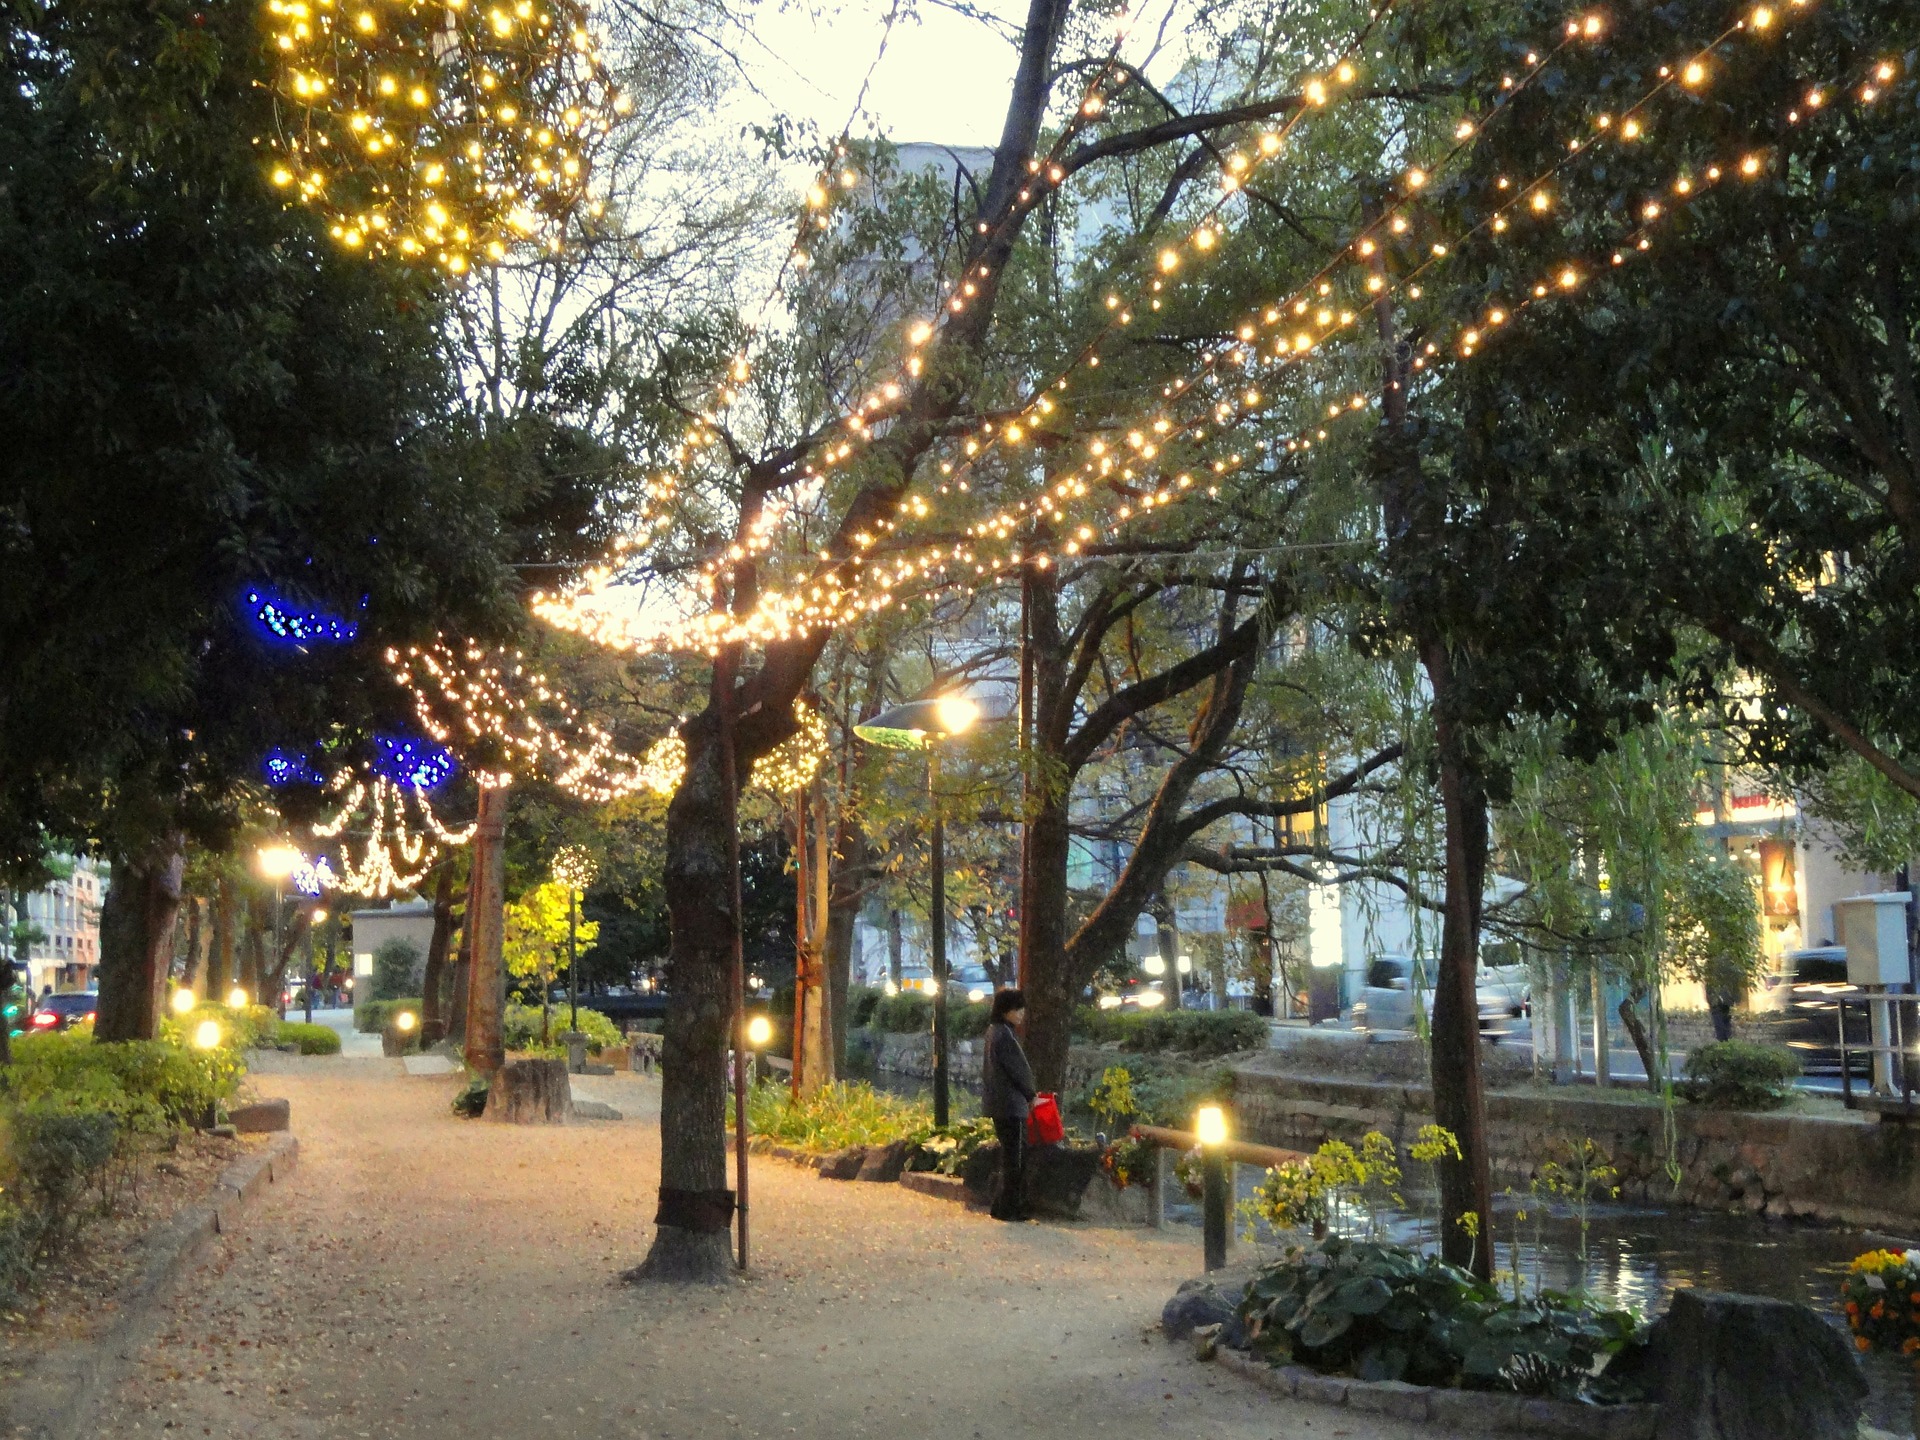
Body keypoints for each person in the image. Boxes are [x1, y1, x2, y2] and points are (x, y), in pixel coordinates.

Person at [982, 988, 1037, 1221]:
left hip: (998, 1104)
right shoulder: (1005, 1035)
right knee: (1016, 1159)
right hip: (1011, 1106)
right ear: (1006, 1011)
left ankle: (1001, 1206)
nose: (1022, 1013)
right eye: (1017, 1009)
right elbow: (1019, 1070)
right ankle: (1010, 1208)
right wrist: (1030, 1094)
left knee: (1009, 1157)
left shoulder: (993, 1032)